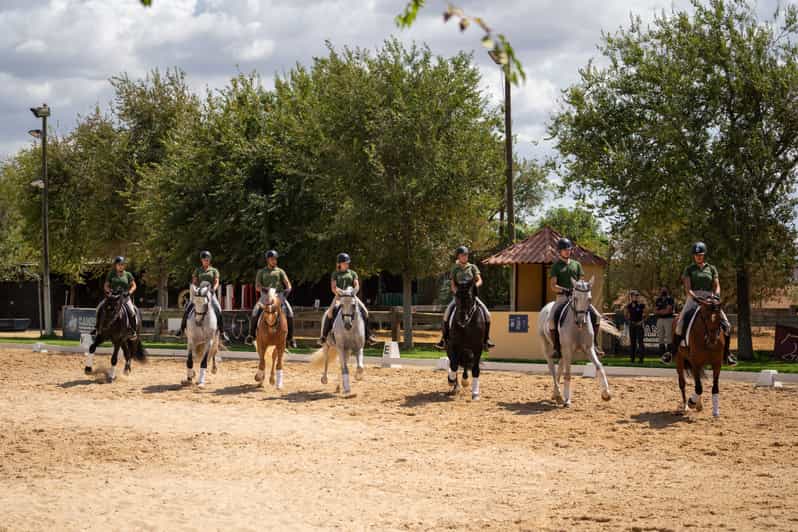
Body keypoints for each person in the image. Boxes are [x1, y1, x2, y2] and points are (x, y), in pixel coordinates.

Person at [663, 242, 736, 366]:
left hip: (710, 298)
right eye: (696, 255)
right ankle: (671, 352)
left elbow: (717, 284)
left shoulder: (711, 268)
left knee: (727, 325)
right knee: (680, 323)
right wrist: (694, 297)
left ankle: (727, 354)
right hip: (694, 298)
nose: (699, 257)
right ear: (693, 256)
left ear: (704, 255)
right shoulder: (689, 269)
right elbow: (687, 288)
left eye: (701, 255)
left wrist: (716, 296)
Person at [548, 238, 603, 358]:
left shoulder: (576, 265)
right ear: (560, 251)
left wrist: (579, 290)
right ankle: (556, 348)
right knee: (552, 319)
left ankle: (594, 344)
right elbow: (553, 286)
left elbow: (581, 281)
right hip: (562, 297)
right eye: (564, 250)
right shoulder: (556, 266)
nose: (567, 252)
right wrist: (565, 289)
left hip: (578, 297)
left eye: (569, 249)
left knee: (597, 316)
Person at [435, 246, 494, 351]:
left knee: (487, 314)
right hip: (459, 296)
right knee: (447, 314)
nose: (465, 257)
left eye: (466, 255)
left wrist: (475, 286)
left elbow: (480, 280)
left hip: (471, 296)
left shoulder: (472, 267)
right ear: (458, 256)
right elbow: (452, 284)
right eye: (463, 255)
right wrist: (457, 292)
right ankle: (444, 339)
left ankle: (486, 340)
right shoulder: (455, 268)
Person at [317, 253, 377, 346]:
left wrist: (355, 290)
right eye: (345, 263)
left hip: (351, 296)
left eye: (348, 263)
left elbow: (356, 284)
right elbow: (333, 288)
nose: (347, 264)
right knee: (329, 313)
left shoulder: (352, 273)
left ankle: (368, 335)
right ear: (339, 264)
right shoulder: (335, 274)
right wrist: (340, 292)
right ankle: (324, 336)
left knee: (365, 311)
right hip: (339, 296)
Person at [246, 250, 297, 348]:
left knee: (290, 312)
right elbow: (257, 286)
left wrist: (288, 290)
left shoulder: (280, 271)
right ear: (268, 260)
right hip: (266, 295)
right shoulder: (261, 272)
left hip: (279, 295)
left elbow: (287, 283)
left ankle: (290, 338)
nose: (274, 261)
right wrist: (263, 289)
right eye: (272, 259)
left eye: (275, 259)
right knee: (255, 311)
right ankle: (251, 335)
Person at [180, 250, 228, 341]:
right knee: (188, 308)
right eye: (204, 259)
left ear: (210, 260)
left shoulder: (214, 270)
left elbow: (217, 282)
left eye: (208, 259)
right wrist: (195, 289)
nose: (206, 261)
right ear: (201, 260)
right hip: (199, 294)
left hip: (210, 293)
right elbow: (194, 281)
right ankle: (181, 329)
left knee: (218, 309)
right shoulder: (198, 270)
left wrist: (214, 289)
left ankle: (222, 332)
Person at [93, 256, 139, 339]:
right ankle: (97, 328)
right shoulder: (111, 274)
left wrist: (129, 292)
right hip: (113, 297)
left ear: (124, 265)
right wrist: (109, 291)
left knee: (132, 311)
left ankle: (133, 331)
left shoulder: (128, 274)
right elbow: (106, 285)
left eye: (122, 264)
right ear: (115, 265)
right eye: (119, 264)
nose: (120, 266)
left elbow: (134, 285)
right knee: (100, 307)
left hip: (124, 297)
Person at [655, 286, 675, 363]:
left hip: (668, 319)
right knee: (660, 339)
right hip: (660, 320)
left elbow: (668, 310)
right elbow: (655, 311)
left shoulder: (670, 299)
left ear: (667, 290)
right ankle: (662, 358)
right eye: (662, 289)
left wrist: (660, 311)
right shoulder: (658, 299)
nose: (663, 290)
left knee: (669, 339)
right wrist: (662, 311)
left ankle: (669, 359)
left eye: (665, 289)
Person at [625, 290, 646, 363]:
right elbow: (626, 314)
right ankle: (632, 358)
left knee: (640, 342)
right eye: (633, 295)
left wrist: (642, 321)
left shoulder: (641, 305)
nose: (635, 297)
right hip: (632, 324)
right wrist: (629, 321)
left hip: (639, 324)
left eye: (636, 295)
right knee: (632, 342)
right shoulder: (629, 305)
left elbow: (646, 314)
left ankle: (641, 359)